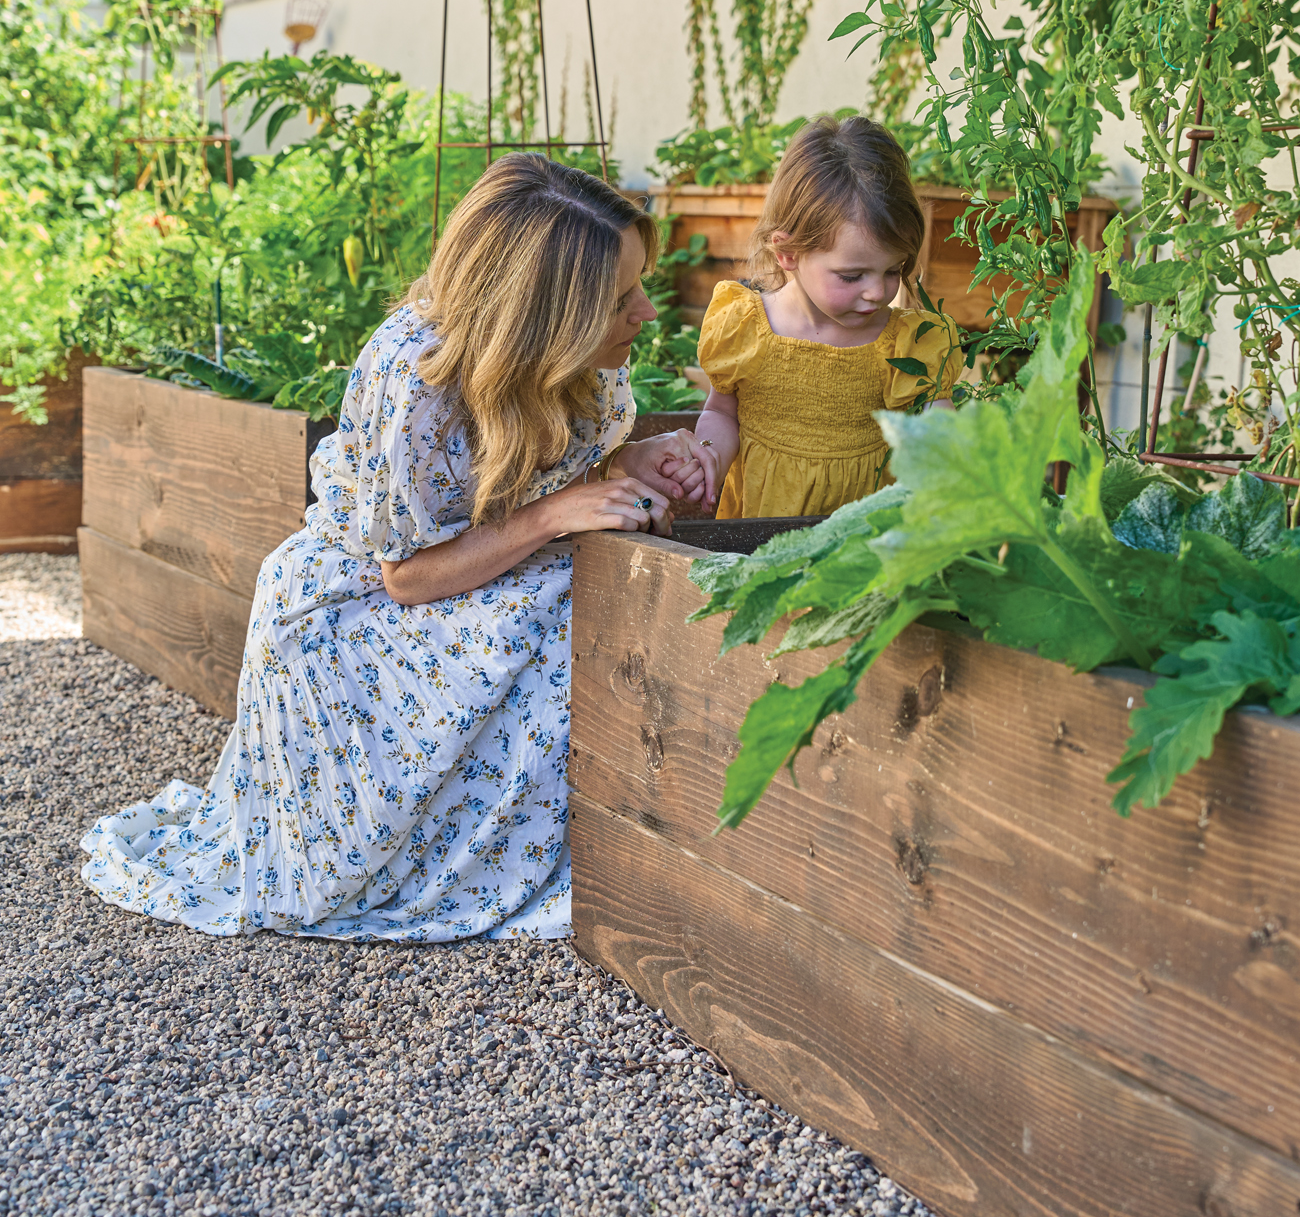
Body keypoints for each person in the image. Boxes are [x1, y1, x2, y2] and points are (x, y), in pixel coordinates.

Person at [81, 156, 711, 943]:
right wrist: (557, 514)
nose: (647, 310)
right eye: (622, 299)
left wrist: (627, 465)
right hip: (361, 613)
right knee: (572, 616)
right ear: (542, 315)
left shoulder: (584, 360)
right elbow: (406, 575)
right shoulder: (419, 380)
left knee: (601, 590)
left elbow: (557, 474)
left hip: (484, 564)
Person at [684, 116, 965, 519]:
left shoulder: (908, 343)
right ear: (788, 254)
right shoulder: (745, 327)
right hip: (760, 529)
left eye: (893, 270)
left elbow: (937, 425)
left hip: (863, 534)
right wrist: (709, 455)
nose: (878, 291)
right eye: (852, 276)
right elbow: (720, 413)